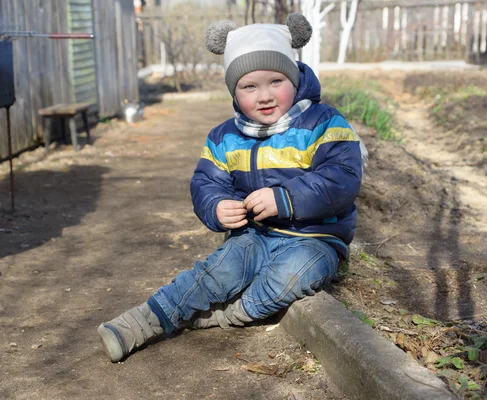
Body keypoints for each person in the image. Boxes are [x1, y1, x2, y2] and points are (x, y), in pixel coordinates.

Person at [97, 13, 365, 363]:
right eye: (250, 87)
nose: (265, 96)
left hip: (316, 238)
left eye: (276, 81)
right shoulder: (225, 137)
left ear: (296, 77)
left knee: (287, 278)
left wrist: (286, 199)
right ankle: (140, 322)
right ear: (234, 92)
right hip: (255, 235)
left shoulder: (324, 122)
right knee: (215, 272)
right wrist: (217, 206)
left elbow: (342, 177)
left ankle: (223, 316)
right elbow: (206, 182)